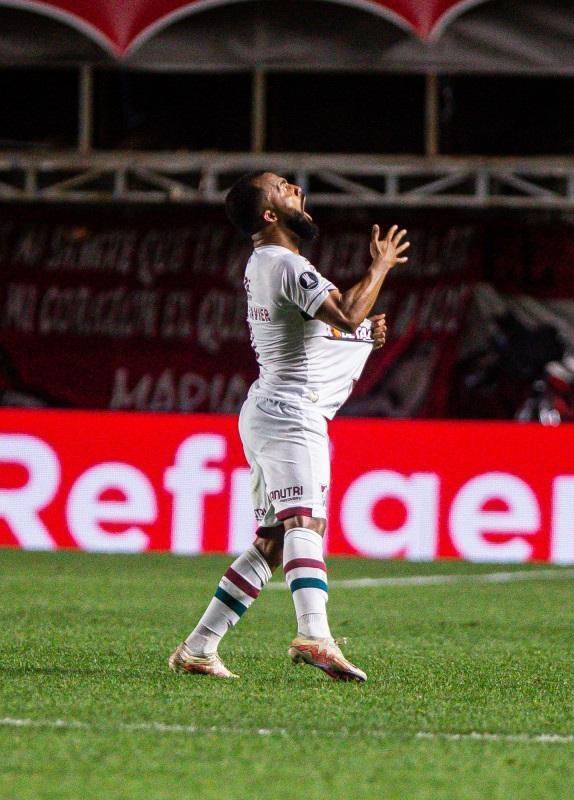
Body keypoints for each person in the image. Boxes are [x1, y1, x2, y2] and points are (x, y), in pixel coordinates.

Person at [169, 171, 409, 681]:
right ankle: (314, 635)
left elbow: (329, 326)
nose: (296, 188)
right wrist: (380, 268)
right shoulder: (282, 263)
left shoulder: (272, 264)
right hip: (289, 414)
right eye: (282, 187)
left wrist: (363, 330)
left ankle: (199, 648)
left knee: (274, 540)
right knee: (307, 523)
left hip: (274, 411)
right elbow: (342, 314)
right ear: (270, 215)